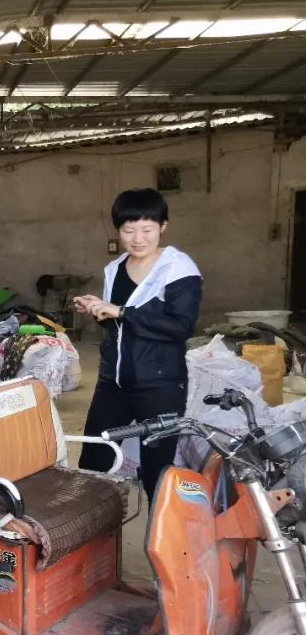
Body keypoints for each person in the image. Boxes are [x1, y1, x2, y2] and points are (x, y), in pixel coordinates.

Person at [74, 188, 202, 502]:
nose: (137, 238)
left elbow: (180, 327)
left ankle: (162, 532)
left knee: (157, 469)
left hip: (160, 385)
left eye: (147, 229)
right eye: (128, 230)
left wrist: (121, 311)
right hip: (113, 383)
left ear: (163, 226)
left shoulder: (178, 268)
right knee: (94, 459)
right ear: (118, 230)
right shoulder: (115, 269)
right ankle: (93, 526)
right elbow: (118, 326)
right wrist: (97, 310)